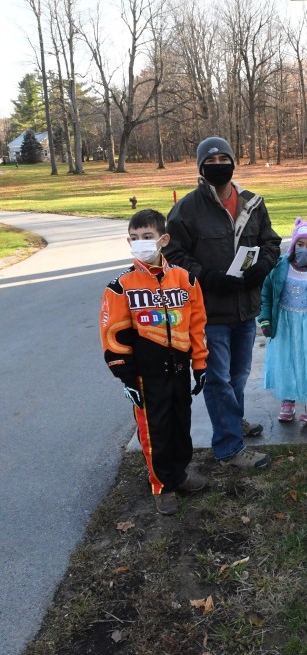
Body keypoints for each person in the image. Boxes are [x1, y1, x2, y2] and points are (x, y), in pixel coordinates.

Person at [164, 137, 281, 469]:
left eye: (223, 157)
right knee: (217, 380)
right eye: (211, 159)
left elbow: (270, 241)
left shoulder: (252, 204)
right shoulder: (187, 208)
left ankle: (234, 422)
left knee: (239, 375)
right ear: (201, 167)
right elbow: (172, 254)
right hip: (209, 312)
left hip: (245, 308)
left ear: (233, 162)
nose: (218, 163)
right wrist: (207, 276)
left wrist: (263, 267)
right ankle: (229, 448)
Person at [99, 208, 208, 515]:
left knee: (179, 425)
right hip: (147, 376)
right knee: (154, 430)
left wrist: (199, 365)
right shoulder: (121, 286)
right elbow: (112, 336)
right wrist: (127, 378)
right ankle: (162, 485)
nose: (140, 243)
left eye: (147, 237)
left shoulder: (185, 280)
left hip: (178, 371)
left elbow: (197, 325)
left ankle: (179, 474)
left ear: (163, 239)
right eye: (134, 238)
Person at [259, 215, 307, 424]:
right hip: (284, 326)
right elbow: (266, 294)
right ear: (293, 245)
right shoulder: (279, 269)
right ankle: (288, 401)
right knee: (287, 361)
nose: (304, 249)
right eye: (300, 244)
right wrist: (265, 319)